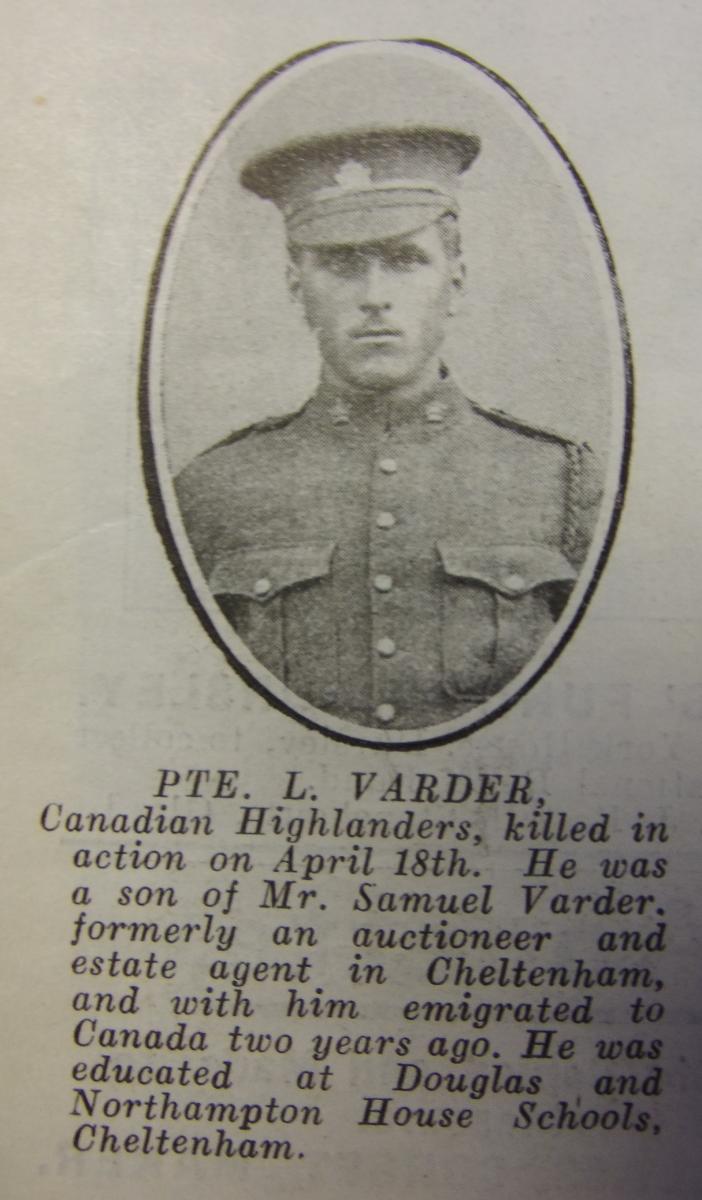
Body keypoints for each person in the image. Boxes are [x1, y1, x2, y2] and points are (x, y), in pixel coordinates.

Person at [175, 125, 601, 730]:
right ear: (297, 287)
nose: (374, 296)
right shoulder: (212, 490)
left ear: (455, 281)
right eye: (341, 265)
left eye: (405, 261)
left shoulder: (561, 482)